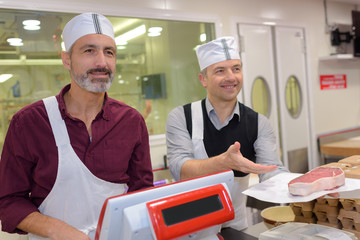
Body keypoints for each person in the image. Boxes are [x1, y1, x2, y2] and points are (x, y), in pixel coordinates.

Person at [0, 13, 153, 240]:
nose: (102, 62)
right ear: (67, 59)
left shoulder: (131, 121)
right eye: (89, 51)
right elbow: (9, 202)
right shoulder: (29, 123)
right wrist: (61, 231)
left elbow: (142, 191)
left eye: (109, 52)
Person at [166, 36, 288, 231]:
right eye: (220, 71)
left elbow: (271, 171)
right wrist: (223, 163)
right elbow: (178, 168)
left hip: (234, 225)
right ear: (203, 79)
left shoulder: (258, 123)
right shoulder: (182, 117)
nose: (231, 77)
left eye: (236, 69)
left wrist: (305, 185)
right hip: (189, 226)